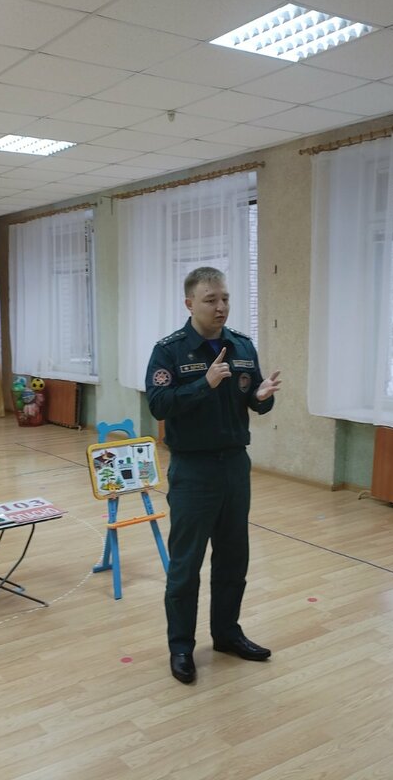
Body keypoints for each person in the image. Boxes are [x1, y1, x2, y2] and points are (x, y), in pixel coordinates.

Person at [145, 266, 281, 684]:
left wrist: (261, 398)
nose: (220, 307)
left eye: (225, 298)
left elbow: (252, 398)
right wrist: (203, 383)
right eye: (210, 300)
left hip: (235, 465)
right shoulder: (169, 350)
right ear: (190, 304)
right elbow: (159, 404)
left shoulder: (241, 345)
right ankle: (181, 647)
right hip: (193, 469)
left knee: (233, 557)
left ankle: (226, 634)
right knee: (186, 564)